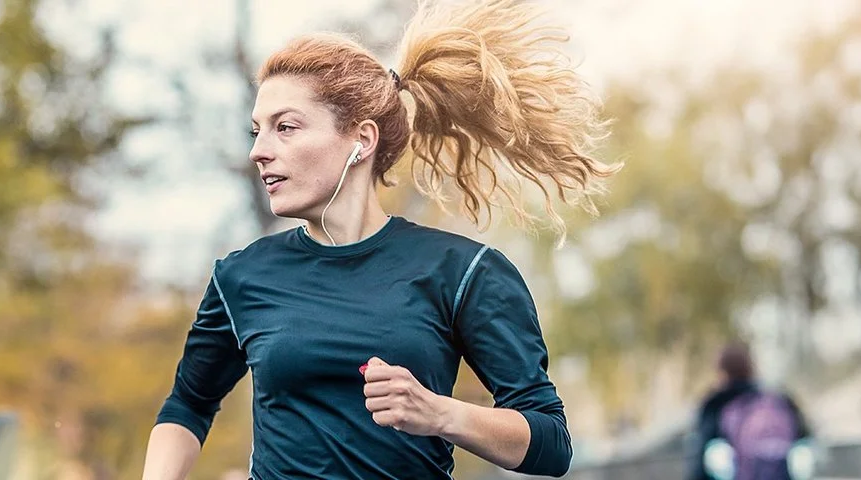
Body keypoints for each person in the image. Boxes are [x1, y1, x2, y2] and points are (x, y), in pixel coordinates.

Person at [139, 1, 619, 478]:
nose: (259, 151)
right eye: (257, 131)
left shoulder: (462, 271)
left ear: (361, 141)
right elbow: (189, 405)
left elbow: (552, 444)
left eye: (285, 127)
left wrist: (441, 414)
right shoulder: (241, 276)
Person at [692, 342, 812, 480]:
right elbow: (805, 442)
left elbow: (699, 465)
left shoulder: (716, 405)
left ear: (721, 371)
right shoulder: (780, 400)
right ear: (751, 368)